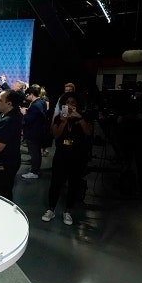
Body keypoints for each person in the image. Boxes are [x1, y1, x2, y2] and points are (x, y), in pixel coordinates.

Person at [42, 92, 93, 226]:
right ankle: (51, 209)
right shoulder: (59, 117)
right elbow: (56, 135)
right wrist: (64, 121)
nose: (70, 105)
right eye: (67, 103)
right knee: (56, 183)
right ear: (63, 104)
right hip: (61, 155)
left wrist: (80, 118)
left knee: (74, 183)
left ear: (78, 105)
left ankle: (68, 211)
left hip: (78, 155)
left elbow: (88, 132)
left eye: (73, 103)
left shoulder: (83, 116)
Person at [20, 86, 47, 179]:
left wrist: (24, 113)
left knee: (34, 153)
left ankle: (34, 172)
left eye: (27, 95)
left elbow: (28, 119)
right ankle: (35, 169)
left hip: (33, 133)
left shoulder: (35, 105)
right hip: (38, 132)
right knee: (36, 153)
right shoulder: (41, 102)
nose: (26, 97)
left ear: (31, 95)